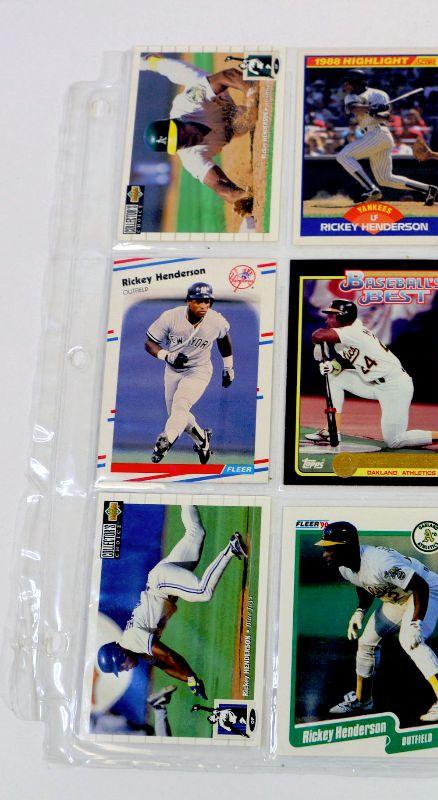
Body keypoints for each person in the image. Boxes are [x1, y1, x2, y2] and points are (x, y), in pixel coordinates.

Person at [97, 506, 247, 700]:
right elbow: (164, 665)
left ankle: (231, 548)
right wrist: (190, 680)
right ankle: (186, 496)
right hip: (161, 582)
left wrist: (191, 676)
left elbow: (168, 656)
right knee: (195, 532)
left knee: (202, 592)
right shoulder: (137, 649)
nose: (125, 669)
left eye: (121, 666)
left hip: (162, 585)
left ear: (120, 656)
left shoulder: (132, 641)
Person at [316, 521, 438, 723]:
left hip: (425, 590)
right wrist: (360, 610)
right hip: (398, 598)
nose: (325, 554)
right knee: (366, 642)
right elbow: (364, 582)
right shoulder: (345, 568)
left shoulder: (380, 562)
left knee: (410, 641)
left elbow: (420, 586)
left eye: (329, 548)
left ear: (346, 547)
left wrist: (416, 622)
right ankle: (363, 700)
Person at [306, 299, 438, 450]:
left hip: (394, 387)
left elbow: (317, 335)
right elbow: (347, 358)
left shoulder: (352, 332)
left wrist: (319, 343)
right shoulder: (349, 331)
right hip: (372, 384)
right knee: (334, 377)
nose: (327, 320)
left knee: (395, 441)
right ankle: (331, 430)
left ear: (343, 316)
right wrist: (332, 366)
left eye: (332, 316)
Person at [140, 54, 256, 208]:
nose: (186, 142)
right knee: (241, 121)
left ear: (178, 121)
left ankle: (150, 61)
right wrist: (240, 197)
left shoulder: (190, 103)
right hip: (228, 118)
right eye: (178, 144)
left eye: (180, 136)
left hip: (200, 86)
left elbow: (227, 75)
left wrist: (251, 93)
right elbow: (219, 185)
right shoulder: (190, 157)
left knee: (177, 70)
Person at [145, 282, 234, 464]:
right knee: (178, 415)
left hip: (198, 370)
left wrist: (228, 367)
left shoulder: (216, 321)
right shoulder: (171, 317)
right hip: (172, 370)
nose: (203, 305)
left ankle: (166, 440)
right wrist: (166, 356)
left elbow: (223, 339)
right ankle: (202, 440)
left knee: (181, 405)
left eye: (207, 301)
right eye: (198, 301)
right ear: (188, 301)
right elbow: (150, 343)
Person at [334, 69, 438, 205]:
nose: (345, 85)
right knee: (385, 179)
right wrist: (370, 108)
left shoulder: (378, 94)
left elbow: (386, 117)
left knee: (343, 156)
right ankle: (428, 189)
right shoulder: (350, 97)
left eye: (347, 82)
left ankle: (371, 189)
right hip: (372, 136)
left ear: (355, 81)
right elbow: (354, 108)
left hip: (378, 133)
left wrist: (378, 111)